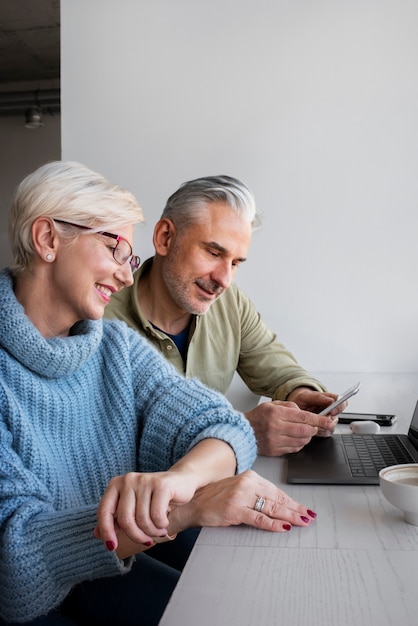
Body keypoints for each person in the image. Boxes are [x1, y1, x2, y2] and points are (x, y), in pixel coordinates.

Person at [0, 162, 317, 626]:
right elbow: (17, 562)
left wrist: (181, 481)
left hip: (105, 566)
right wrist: (183, 509)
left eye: (130, 258)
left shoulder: (116, 349)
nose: (128, 276)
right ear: (48, 239)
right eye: (115, 248)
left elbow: (221, 424)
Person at [105, 175, 346, 457]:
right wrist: (239, 430)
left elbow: (278, 369)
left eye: (235, 263)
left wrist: (301, 396)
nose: (224, 279)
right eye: (213, 252)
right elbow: (109, 447)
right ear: (165, 238)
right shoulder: (99, 320)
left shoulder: (230, 303)